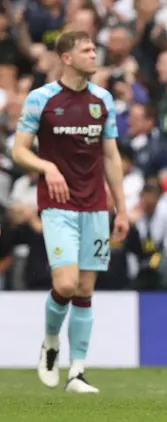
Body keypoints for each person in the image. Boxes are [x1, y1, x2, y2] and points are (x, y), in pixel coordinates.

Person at [12, 31, 129, 393]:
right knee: (64, 283)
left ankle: (77, 372)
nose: (95, 55)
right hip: (57, 204)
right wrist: (47, 168)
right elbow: (19, 150)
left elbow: (110, 156)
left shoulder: (102, 99)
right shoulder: (41, 99)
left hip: (94, 205)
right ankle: (50, 341)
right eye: (87, 50)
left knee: (85, 287)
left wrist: (121, 209)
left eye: (95, 49)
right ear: (66, 58)